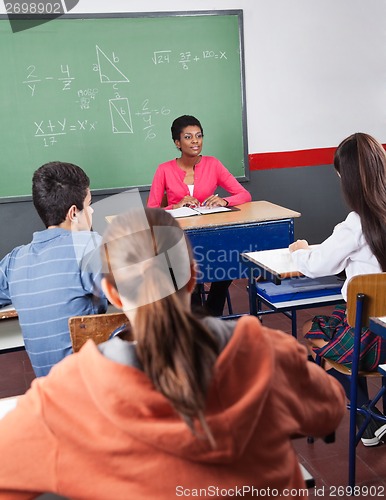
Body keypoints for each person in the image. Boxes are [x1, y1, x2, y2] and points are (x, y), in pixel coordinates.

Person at [0, 208, 345, 499]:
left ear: (112, 293)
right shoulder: (267, 354)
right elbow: (328, 411)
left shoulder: (63, 396)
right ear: (194, 276)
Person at [289, 132, 386, 446]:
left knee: (313, 328)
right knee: (342, 318)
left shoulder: (357, 223)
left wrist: (300, 250)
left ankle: (365, 418)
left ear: (348, 179)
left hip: (369, 338)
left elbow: (318, 265)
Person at [0, 161, 107, 377]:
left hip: (49, 393)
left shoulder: (14, 260)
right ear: (73, 213)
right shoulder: (88, 245)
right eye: (89, 203)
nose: (93, 210)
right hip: (93, 389)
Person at [148, 115, 252, 316]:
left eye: (199, 136)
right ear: (177, 143)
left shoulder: (213, 164)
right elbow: (151, 210)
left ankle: (212, 312)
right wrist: (175, 206)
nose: (195, 141)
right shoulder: (164, 170)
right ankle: (195, 313)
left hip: (211, 237)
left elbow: (244, 194)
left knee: (229, 262)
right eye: (188, 137)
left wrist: (225, 201)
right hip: (178, 240)